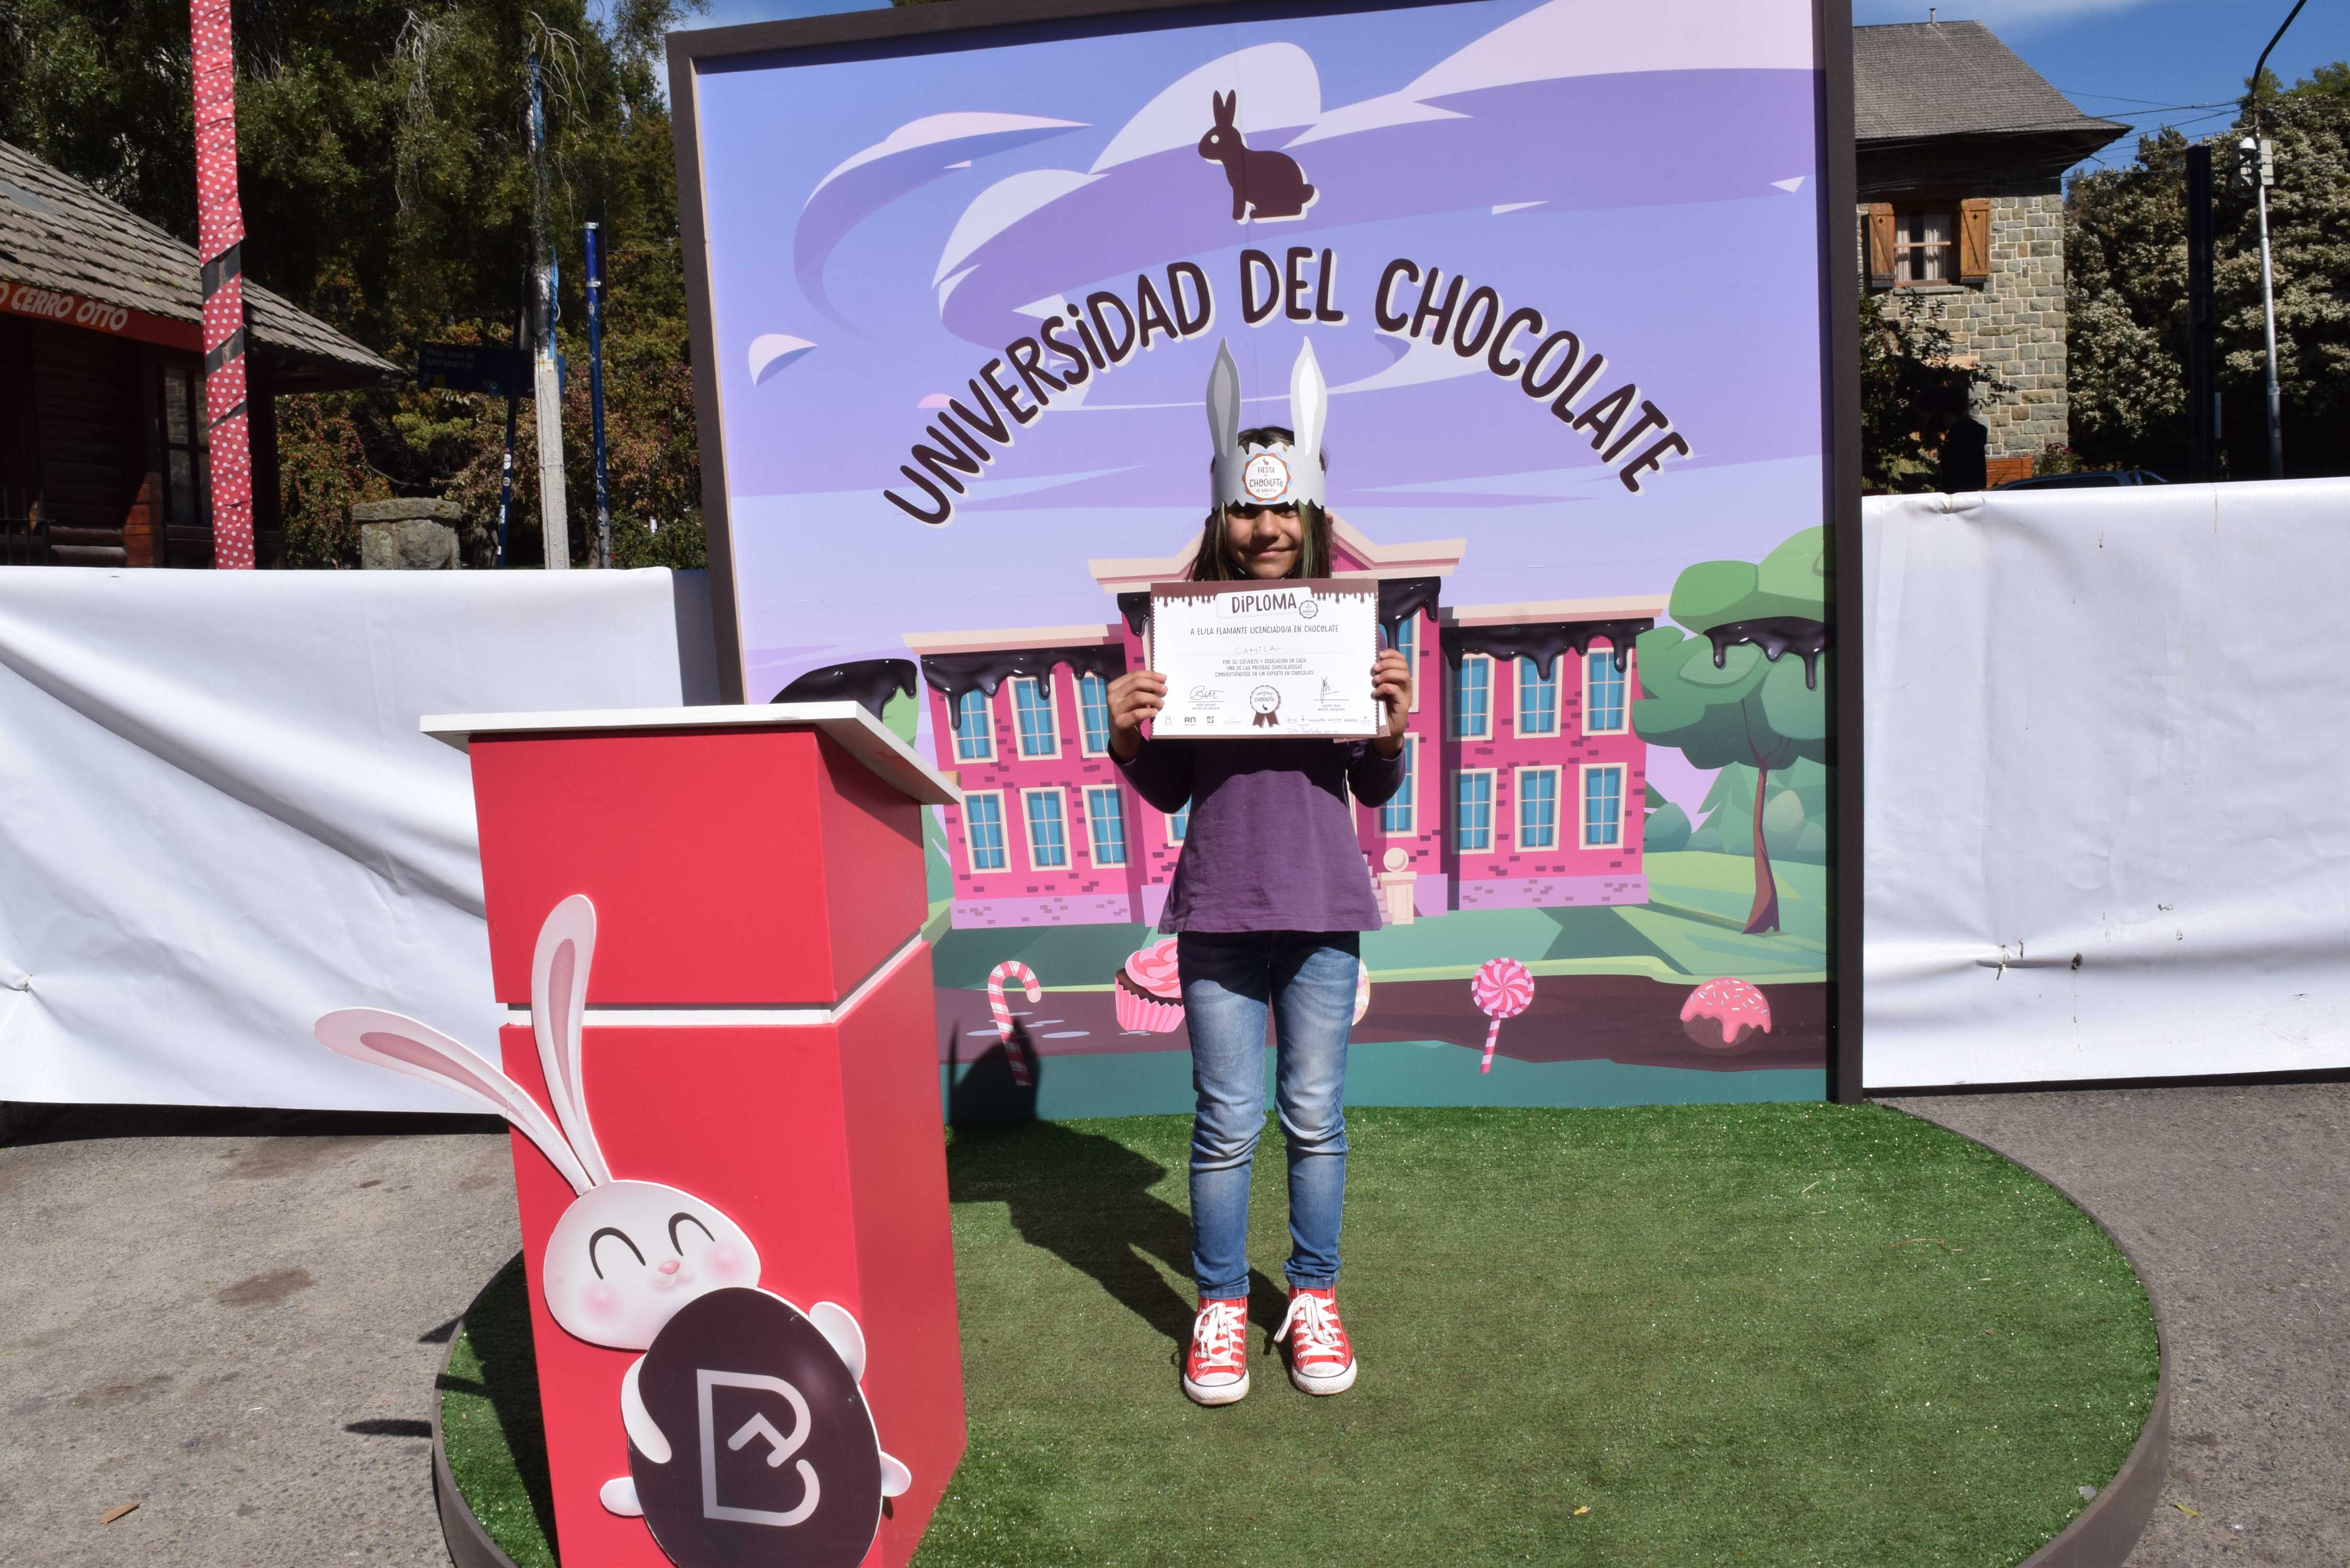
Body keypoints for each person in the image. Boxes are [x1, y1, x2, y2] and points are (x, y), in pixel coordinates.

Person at [1105, 340, 1412, 1406]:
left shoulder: (1345, 626)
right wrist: (1129, 734)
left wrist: (1390, 730)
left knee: (1315, 1116)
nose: (1267, 527)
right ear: (1220, 519)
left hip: (1323, 906)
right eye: (1246, 509)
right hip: (1220, 910)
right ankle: (1221, 1307)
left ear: (1311, 515)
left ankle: (1314, 1297)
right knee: (1227, 1122)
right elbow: (1168, 792)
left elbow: (1371, 787)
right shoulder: (1183, 634)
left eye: (1283, 509)